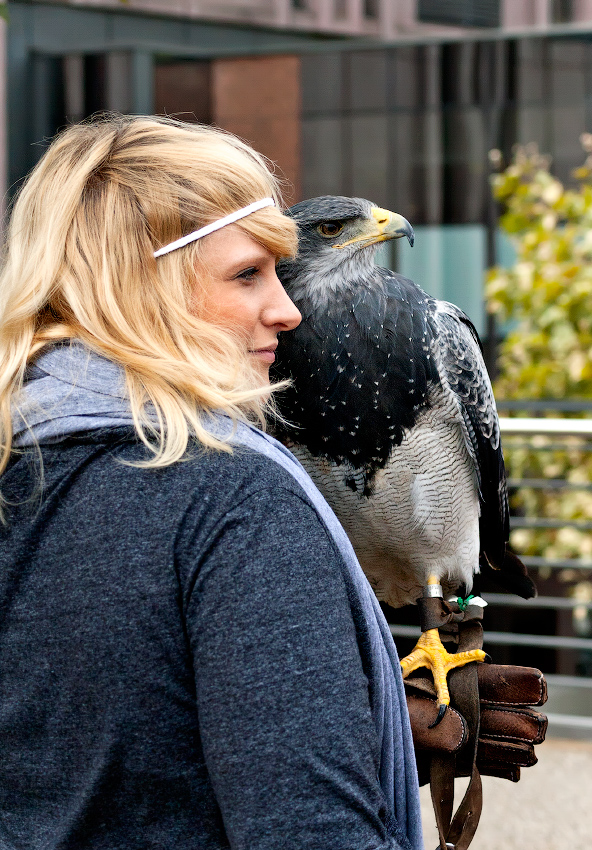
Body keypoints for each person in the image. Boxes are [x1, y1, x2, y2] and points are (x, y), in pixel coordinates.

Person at [0, 115, 423, 850]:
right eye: (246, 274)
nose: (286, 310)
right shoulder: (231, 502)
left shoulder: (17, 462)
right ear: (137, 286)